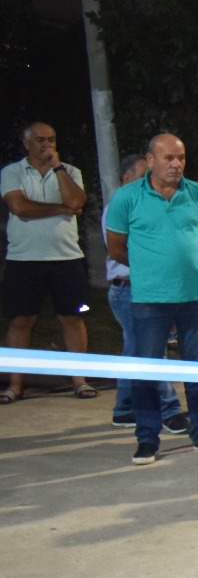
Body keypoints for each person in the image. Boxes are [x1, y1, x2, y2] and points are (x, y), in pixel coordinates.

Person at [104, 133, 198, 464]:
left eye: (181, 157)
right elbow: (116, 246)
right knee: (147, 368)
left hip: (196, 295)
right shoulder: (127, 198)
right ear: (150, 160)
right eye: (168, 158)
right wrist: (152, 268)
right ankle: (147, 438)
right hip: (150, 297)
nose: (176, 164)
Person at [2, 121, 94, 402]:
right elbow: (20, 208)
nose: (47, 145)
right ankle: (15, 384)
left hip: (66, 258)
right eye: (40, 140)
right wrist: (62, 209)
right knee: (21, 319)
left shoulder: (70, 171)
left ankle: (79, 380)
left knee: (72, 318)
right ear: (26, 143)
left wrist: (58, 169)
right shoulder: (12, 172)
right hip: (24, 258)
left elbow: (77, 202)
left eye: (52, 139)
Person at [105, 154, 186, 432]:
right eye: (142, 175)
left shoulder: (148, 202)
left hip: (142, 287)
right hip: (129, 288)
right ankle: (169, 409)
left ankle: (125, 408)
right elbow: (121, 249)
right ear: (126, 177)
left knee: (135, 350)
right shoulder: (123, 204)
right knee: (151, 352)